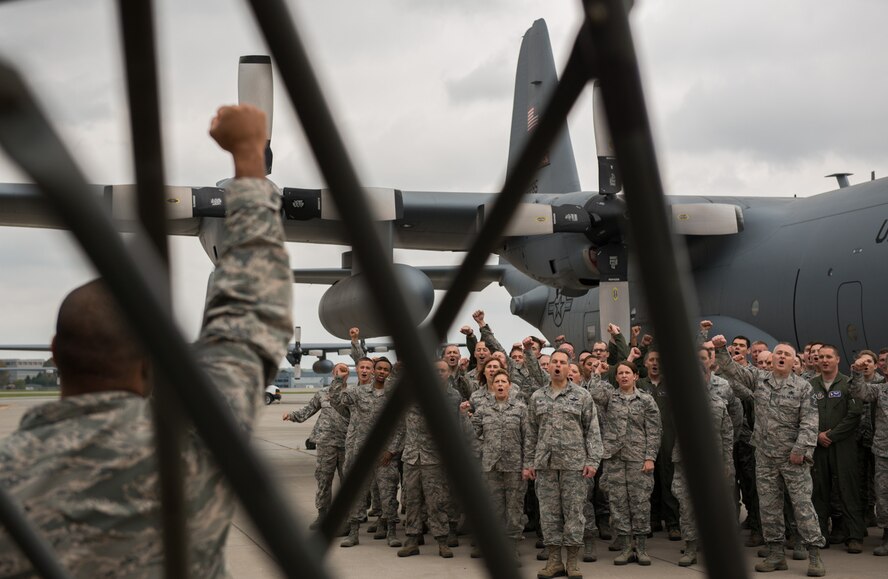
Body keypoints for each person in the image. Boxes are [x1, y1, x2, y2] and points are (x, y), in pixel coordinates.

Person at [0, 104, 292, 577]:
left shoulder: (9, 474)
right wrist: (249, 161)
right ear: (152, 358)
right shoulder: (193, 445)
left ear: (54, 354)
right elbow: (250, 312)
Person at [713, 335, 826, 576]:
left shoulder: (803, 387)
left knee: (802, 506)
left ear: (794, 360)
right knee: (769, 506)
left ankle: (814, 555)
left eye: (787, 354)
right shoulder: (760, 379)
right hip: (764, 456)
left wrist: (800, 450)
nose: (782, 357)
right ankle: (776, 554)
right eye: (779, 354)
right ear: (772, 359)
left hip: (792, 457)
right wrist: (722, 348)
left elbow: (809, 422)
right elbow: (732, 370)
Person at [524, 350, 602, 579]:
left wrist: (593, 461)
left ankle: (572, 562)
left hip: (574, 466)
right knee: (549, 514)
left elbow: (592, 430)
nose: (558, 366)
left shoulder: (582, 396)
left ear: (569, 368)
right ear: (548, 367)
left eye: (562, 362)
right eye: (554, 362)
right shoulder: (537, 397)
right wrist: (529, 463)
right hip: (546, 466)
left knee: (574, 513)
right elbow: (531, 434)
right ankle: (554, 561)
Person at [588, 361, 661, 566]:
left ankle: (641, 547)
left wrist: (650, 457)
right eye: (620, 373)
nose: (623, 376)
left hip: (638, 458)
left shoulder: (646, 400)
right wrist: (596, 372)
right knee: (618, 503)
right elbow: (593, 393)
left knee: (640, 503)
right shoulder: (611, 397)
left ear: (636, 376)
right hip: (614, 458)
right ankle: (626, 547)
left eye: (627, 372)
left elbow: (654, 431)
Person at [396, 360, 463, 559]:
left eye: (442, 371)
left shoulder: (452, 396)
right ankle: (412, 539)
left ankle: (442, 540)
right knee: (412, 500)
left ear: (449, 373)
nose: (438, 374)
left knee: (437, 501)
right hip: (411, 457)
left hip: (435, 458)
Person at [671, 361, 734, 567]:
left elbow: (727, 435)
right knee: (686, 506)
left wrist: (727, 463)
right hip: (685, 462)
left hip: (712, 463)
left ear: (707, 378)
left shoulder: (718, 404)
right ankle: (690, 547)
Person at [466, 369, 528, 564]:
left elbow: (529, 438)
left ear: (510, 385)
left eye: (504, 381)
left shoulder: (520, 408)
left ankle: (512, 547)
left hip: (515, 466)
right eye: (497, 382)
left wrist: (528, 464)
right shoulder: (483, 409)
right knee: (495, 508)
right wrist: (463, 416)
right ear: (492, 386)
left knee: (514, 508)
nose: (500, 384)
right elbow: (472, 434)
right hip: (491, 466)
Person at [808, 345, 864, 554]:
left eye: (828, 357)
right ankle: (820, 534)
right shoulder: (810, 385)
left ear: (837, 359)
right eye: (821, 357)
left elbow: (854, 414)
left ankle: (854, 536)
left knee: (848, 489)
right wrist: (817, 435)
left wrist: (831, 435)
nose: (824, 360)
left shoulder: (848, 384)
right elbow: (804, 414)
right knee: (819, 489)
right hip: (818, 446)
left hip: (843, 446)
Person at [283, 362, 349, 529]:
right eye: (338, 370)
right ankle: (322, 514)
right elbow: (308, 410)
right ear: (333, 373)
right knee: (323, 479)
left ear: (348, 374)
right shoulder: (322, 393)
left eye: (344, 370)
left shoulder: (352, 394)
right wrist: (291, 416)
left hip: (346, 443)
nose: (340, 373)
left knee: (346, 481)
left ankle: (346, 516)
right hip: (325, 443)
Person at [849, 354, 888, 555]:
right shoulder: (881, 389)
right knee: (883, 495)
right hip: (883, 451)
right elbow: (859, 392)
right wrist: (856, 371)